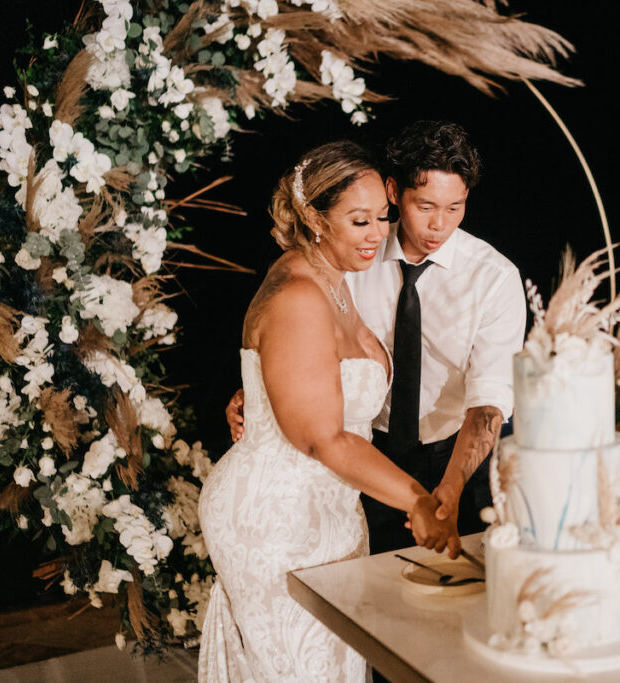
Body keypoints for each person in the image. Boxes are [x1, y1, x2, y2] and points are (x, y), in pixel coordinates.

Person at [198, 141, 456, 683]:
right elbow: (322, 438)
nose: (376, 234)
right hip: (275, 520)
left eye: (382, 218)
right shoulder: (299, 295)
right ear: (314, 217)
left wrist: (255, 395)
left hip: (331, 511)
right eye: (359, 220)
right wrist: (419, 499)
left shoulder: (336, 280)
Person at [226, 121, 526, 558]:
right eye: (424, 206)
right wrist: (265, 390)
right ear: (393, 191)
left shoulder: (494, 278)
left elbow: (489, 400)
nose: (439, 225)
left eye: (455, 208)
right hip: (363, 454)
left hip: (457, 454)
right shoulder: (350, 258)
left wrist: (450, 486)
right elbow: (301, 344)